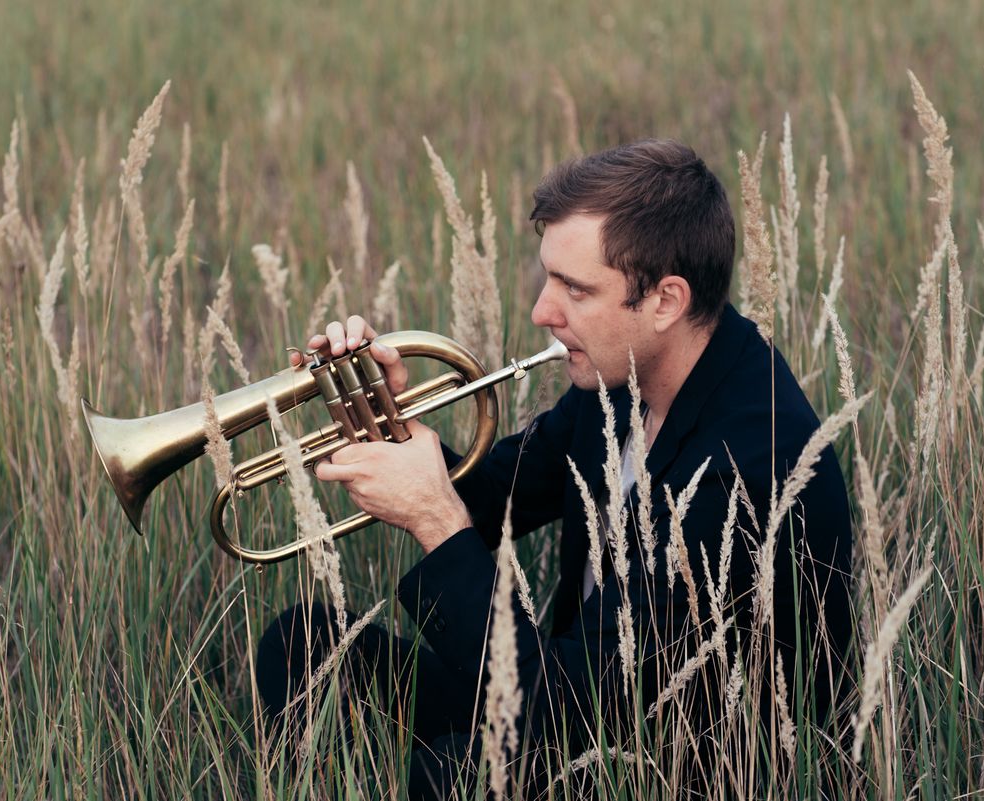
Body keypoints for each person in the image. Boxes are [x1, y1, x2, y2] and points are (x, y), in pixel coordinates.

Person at [255, 139, 854, 798]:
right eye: (549, 279)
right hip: (581, 693)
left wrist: (434, 519)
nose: (543, 311)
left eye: (575, 288)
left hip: (672, 763)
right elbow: (494, 494)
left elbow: (574, 710)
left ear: (665, 299)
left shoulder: (744, 467)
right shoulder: (627, 378)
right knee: (304, 646)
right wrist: (380, 415)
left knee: (459, 775)